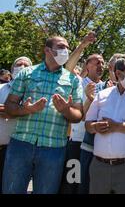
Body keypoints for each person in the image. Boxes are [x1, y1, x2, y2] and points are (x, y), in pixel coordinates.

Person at [3, 36, 83, 194]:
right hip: (21, 144)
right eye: (61, 47)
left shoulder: (73, 80)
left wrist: (66, 110)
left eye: (67, 48)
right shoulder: (27, 73)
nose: (65, 51)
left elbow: (78, 115)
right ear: (47, 50)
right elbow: (9, 106)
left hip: (53, 149)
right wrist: (27, 110)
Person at [85, 55, 125, 194]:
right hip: (99, 167)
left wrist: (117, 126)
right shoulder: (102, 95)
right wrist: (95, 127)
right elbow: (88, 124)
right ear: (118, 73)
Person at [78, 53, 123, 194]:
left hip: (115, 154)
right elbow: (84, 117)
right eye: (117, 67)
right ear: (111, 68)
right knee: (83, 184)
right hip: (89, 147)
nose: (120, 72)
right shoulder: (97, 89)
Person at [60, 53, 105, 194]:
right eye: (97, 62)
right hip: (77, 141)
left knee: (87, 183)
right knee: (72, 182)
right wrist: (84, 44)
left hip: (96, 143)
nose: (100, 66)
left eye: (102, 63)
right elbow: (68, 67)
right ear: (87, 65)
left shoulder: (106, 87)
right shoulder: (78, 82)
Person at [0, 57, 33, 194]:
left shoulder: (32, 92)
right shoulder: (1, 88)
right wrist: (14, 110)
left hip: (17, 150)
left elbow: (29, 113)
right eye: (19, 64)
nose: (22, 66)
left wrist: (11, 110)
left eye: (26, 65)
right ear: (12, 70)